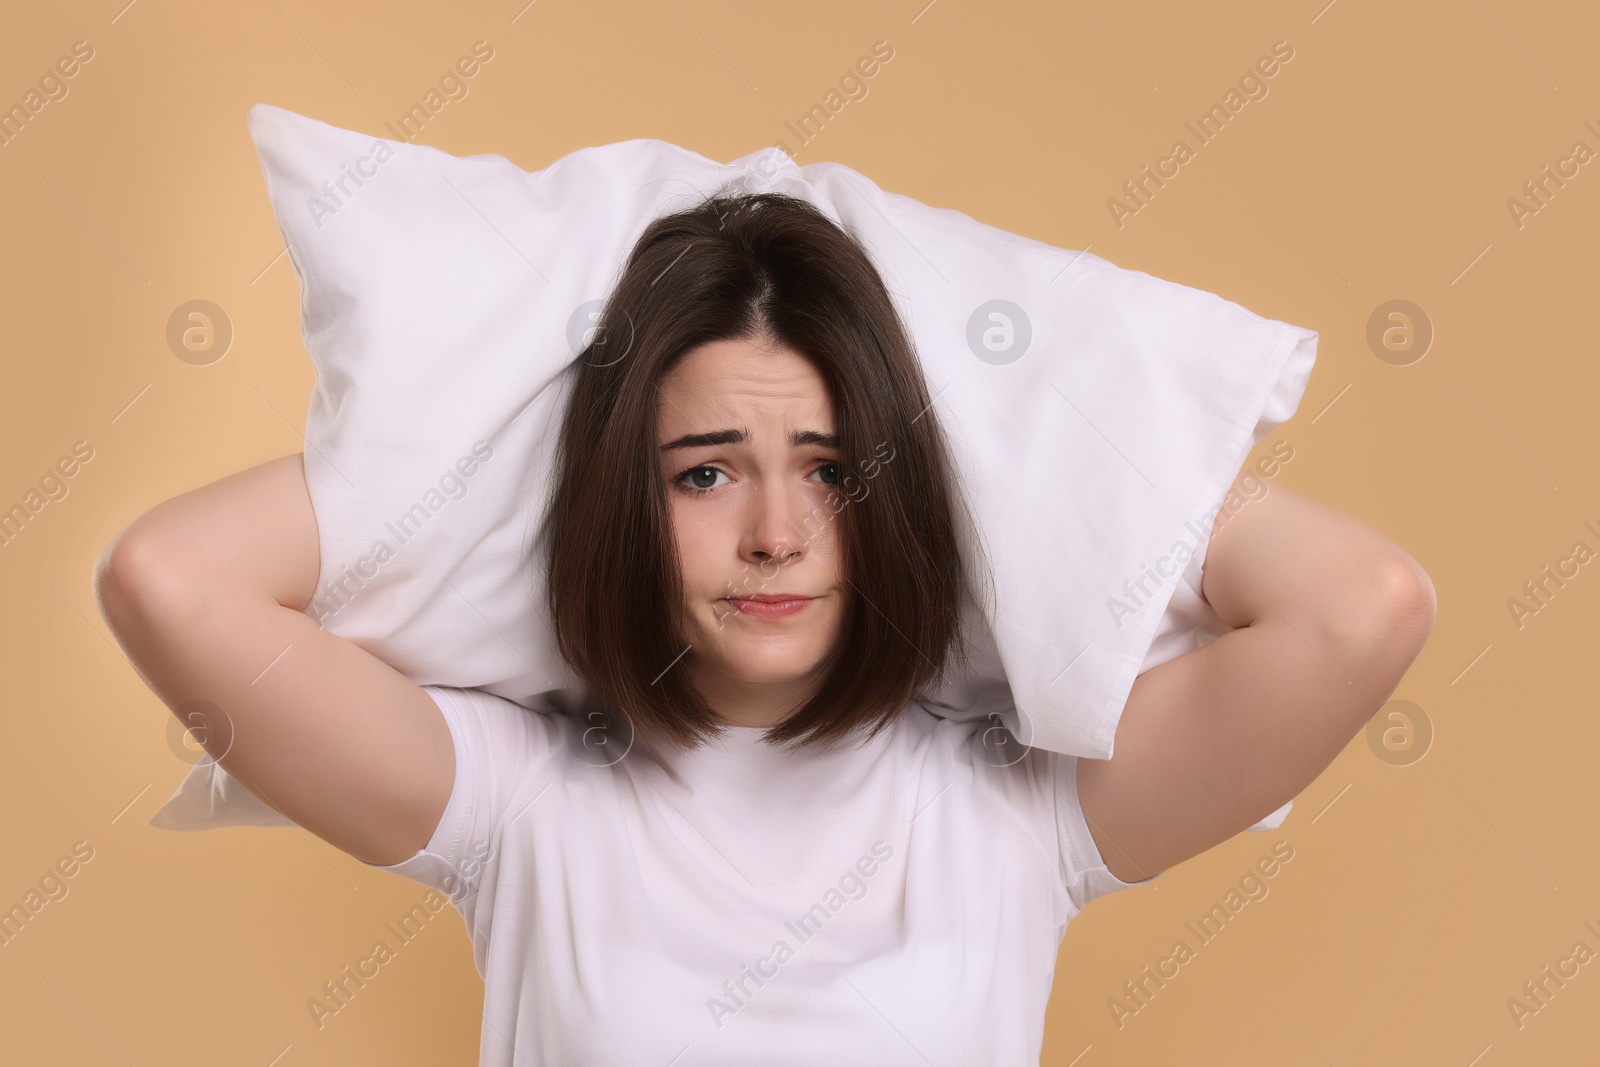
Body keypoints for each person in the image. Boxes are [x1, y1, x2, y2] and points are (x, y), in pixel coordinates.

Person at [93, 192, 1436, 1065]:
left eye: (834, 470)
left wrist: (1011, 442)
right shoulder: (518, 802)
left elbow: (1360, 608)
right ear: (632, 497)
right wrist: (521, 458)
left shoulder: (1018, 816)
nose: (777, 535)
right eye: (706, 471)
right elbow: (172, 582)